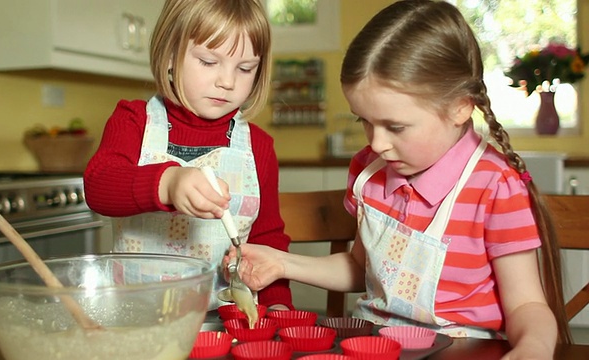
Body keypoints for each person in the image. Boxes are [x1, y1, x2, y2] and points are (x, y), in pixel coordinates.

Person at [227, 0, 572, 357]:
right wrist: (282, 263)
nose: (376, 143)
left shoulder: (494, 185)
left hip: (463, 350)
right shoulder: (368, 171)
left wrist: (533, 348)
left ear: (460, 106)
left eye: (396, 127)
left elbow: (527, 306)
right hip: (375, 346)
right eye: (364, 120)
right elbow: (364, 269)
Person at [83, 0, 292, 312]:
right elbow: (98, 185)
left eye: (245, 68)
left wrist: (278, 308)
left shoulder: (258, 146)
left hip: (226, 321)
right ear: (169, 55)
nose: (228, 82)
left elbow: (268, 239)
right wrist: (168, 183)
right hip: (137, 317)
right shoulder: (133, 121)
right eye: (209, 62)